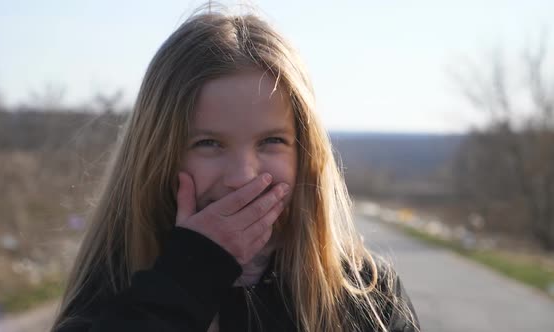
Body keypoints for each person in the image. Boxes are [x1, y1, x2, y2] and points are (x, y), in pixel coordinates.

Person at [51, 6, 420, 332]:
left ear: (305, 153)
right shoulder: (116, 288)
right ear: (160, 154)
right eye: (208, 143)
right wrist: (190, 275)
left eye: (271, 141)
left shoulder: (366, 292)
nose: (243, 177)